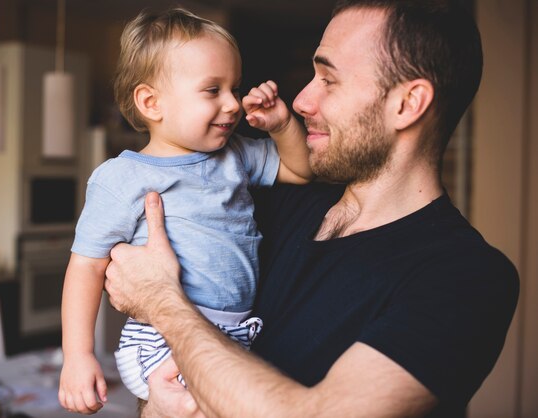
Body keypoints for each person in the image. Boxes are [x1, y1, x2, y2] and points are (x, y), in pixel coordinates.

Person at [103, 0, 520, 417]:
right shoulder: (254, 205)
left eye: (329, 79)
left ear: (407, 104)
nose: (301, 100)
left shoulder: (466, 277)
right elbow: (162, 394)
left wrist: (163, 303)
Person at [58, 7, 313, 414]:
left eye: (235, 87)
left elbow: (301, 171)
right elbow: (85, 267)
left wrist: (282, 127)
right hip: (161, 337)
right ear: (151, 102)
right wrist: (77, 356)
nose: (233, 104)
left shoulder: (237, 155)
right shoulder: (122, 178)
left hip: (234, 333)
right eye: (212, 90)